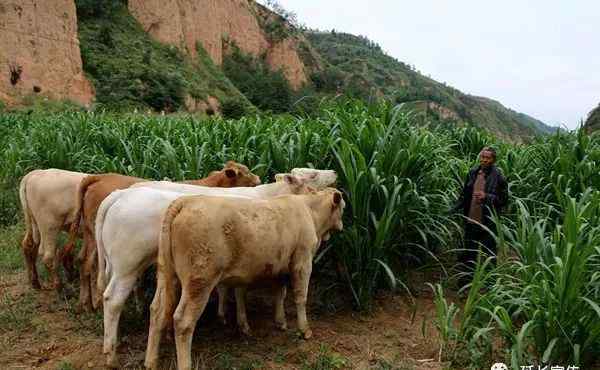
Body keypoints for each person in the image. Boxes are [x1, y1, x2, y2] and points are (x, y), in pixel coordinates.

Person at [453, 146, 508, 280]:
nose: (484, 160)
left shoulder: (499, 177)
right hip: (471, 218)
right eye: (482, 157)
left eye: (487, 158)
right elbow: (465, 194)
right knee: (470, 251)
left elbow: (504, 200)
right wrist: (454, 208)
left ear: (493, 160)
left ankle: (490, 283)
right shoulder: (472, 172)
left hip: (488, 221)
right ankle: (466, 281)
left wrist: (487, 196)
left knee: (489, 252)